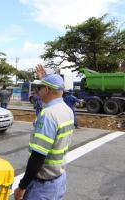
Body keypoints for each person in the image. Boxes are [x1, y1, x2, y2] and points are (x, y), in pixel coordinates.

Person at [14, 64, 75, 200]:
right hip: (59, 180)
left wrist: (22, 187)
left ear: (47, 89)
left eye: (39, 88)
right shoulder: (67, 110)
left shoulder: (48, 115)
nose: (37, 92)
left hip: (43, 186)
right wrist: (45, 79)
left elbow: (38, 156)